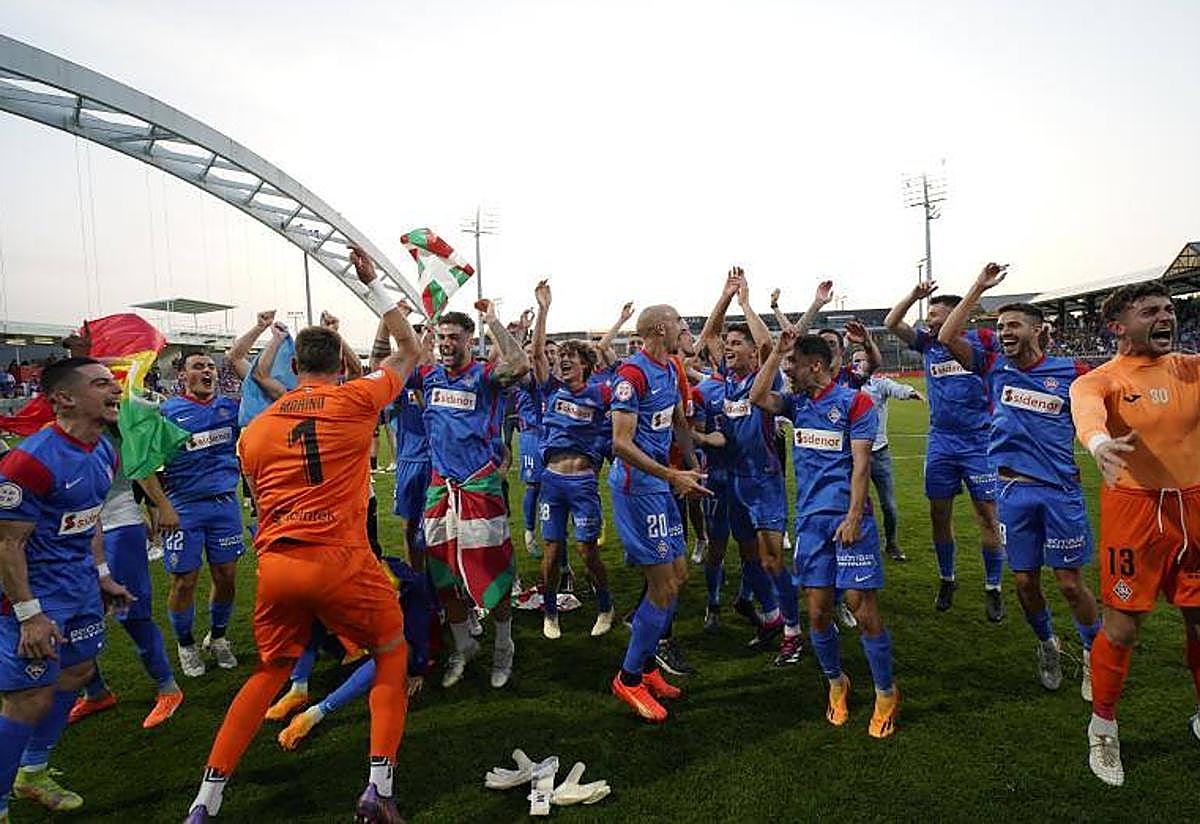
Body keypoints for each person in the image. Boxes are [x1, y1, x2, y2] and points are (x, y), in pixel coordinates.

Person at [184, 246, 420, 823]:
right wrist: (374, 288)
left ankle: (205, 801)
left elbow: (263, 497)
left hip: (278, 565)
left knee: (269, 671)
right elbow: (411, 350)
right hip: (342, 558)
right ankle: (378, 789)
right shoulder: (356, 397)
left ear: (294, 368)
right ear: (340, 363)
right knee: (393, 654)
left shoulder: (256, 430)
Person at [939, 263, 1101, 698]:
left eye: (1013, 325)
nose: (1005, 331)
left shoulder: (1074, 372)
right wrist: (978, 288)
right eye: (1000, 325)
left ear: (1038, 330)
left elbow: (1102, 411)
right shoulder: (993, 368)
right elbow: (946, 337)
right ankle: (1048, 644)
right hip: (1011, 490)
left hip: (1060, 490)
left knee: (1069, 582)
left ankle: (1093, 654)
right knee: (1025, 582)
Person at [1069, 280, 1200, 787]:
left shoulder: (1190, 368)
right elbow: (1087, 413)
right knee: (1122, 628)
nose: (1165, 317)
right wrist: (1099, 444)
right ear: (1118, 326)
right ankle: (1102, 726)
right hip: (1135, 511)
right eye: (1151, 311)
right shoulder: (1101, 379)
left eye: (1169, 309)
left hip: (1194, 508)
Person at [0, 358, 133, 816]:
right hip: (34, 597)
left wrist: (102, 576)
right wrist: (28, 614)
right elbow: (6, 543)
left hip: (79, 586)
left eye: (113, 383)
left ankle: (32, 774)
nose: (115, 390)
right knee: (27, 698)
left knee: (76, 672)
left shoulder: (104, 450)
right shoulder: (30, 461)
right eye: (101, 384)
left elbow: (89, 518)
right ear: (64, 398)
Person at [750, 331, 899, 738]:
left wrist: (853, 516)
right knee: (817, 612)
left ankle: (886, 691)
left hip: (851, 522)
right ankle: (837, 683)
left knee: (862, 608)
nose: (787, 371)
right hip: (811, 526)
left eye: (792, 364)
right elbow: (757, 397)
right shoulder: (796, 405)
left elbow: (861, 465)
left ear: (814, 365)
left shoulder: (856, 402)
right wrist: (777, 353)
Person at [409, 301, 528, 690]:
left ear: (469, 340)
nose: (445, 344)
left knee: (491, 572)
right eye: (441, 337)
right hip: (440, 489)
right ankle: (463, 645)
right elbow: (382, 362)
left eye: (453, 337)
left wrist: (493, 318)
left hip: (479, 487)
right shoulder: (427, 376)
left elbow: (521, 365)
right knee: (443, 574)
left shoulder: (485, 376)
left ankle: (504, 646)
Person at [696, 269, 802, 664]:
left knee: (774, 560)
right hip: (735, 483)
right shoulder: (720, 383)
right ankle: (773, 619)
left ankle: (794, 631)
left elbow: (767, 343)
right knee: (751, 559)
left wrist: (744, 303)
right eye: (728, 344)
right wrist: (723, 296)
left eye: (736, 343)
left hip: (765, 482)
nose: (727, 348)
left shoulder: (764, 377)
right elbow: (708, 336)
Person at [609, 304, 708, 723]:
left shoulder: (670, 369)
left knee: (678, 577)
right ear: (661, 328)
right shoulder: (631, 375)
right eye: (681, 324)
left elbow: (679, 420)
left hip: (662, 485)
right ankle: (628, 678)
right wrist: (673, 473)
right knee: (663, 586)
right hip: (638, 488)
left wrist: (691, 464)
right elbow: (619, 443)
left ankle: (647, 667)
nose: (686, 330)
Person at [885, 282, 1006, 620]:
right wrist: (913, 296)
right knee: (939, 514)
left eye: (935, 315)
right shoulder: (927, 345)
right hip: (941, 440)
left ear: (957, 317)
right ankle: (947, 578)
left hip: (979, 441)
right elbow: (892, 323)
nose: (929, 321)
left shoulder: (980, 345)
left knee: (987, 515)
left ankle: (993, 587)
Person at [160, 322, 264, 678]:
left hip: (224, 505)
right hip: (183, 507)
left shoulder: (230, 409)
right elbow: (147, 465)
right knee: (184, 581)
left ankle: (217, 637)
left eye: (209, 367)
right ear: (182, 375)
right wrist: (158, 508)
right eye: (197, 367)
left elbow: (256, 380)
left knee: (226, 576)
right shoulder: (167, 413)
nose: (206, 371)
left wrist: (263, 330)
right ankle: (185, 644)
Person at [67, 433, 184, 729]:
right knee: (70, 618)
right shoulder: (53, 432)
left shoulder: (118, 423)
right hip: (73, 534)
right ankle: (95, 692)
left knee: (130, 613)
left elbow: (141, 464)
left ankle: (168, 688)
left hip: (118, 525)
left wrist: (162, 504)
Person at [530, 281, 616, 639]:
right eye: (560, 358)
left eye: (570, 358)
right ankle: (550, 613)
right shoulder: (552, 389)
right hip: (551, 483)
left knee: (585, 551)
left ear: (586, 366)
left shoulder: (602, 394)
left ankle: (607, 606)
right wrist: (544, 310)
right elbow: (536, 356)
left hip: (582, 484)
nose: (562, 362)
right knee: (551, 552)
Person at [277, 555, 434, 751]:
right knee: (308, 617)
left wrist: (416, 669)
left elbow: (417, 635)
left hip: (398, 638)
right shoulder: (346, 578)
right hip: (365, 632)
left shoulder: (410, 591)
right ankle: (298, 688)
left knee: (393, 653)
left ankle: (314, 714)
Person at [849, 348, 924, 561]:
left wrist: (910, 392)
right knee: (852, 502)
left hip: (879, 453)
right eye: (855, 361)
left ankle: (891, 543)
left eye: (862, 360)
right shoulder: (845, 385)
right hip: (853, 455)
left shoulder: (879, 383)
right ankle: (853, 542)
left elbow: (896, 388)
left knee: (889, 505)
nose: (858, 364)